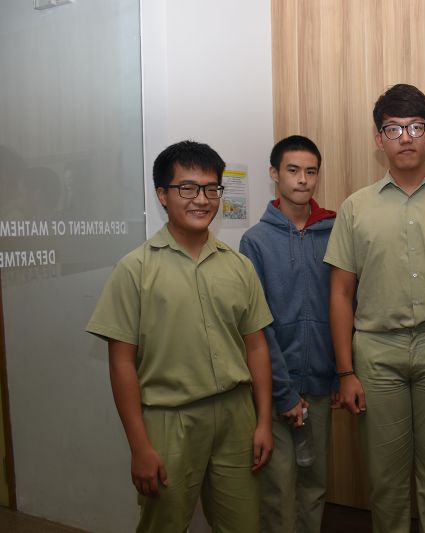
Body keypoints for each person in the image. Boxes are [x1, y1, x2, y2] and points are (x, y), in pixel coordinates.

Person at [324, 83, 425, 533]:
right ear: (378, 139)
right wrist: (345, 371)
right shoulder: (355, 208)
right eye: (393, 129)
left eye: (416, 127)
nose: (405, 137)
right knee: (385, 480)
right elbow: (339, 294)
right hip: (377, 354)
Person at [86, 140, 274, 533]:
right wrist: (140, 446)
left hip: (236, 415)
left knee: (245, 524)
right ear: (162, 194)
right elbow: (121, 363)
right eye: (187, 188)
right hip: (169, 420)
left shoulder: (239, 266)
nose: (201, 199)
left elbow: (256, 347)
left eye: (211, 188)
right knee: (164, 524)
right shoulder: (135, 269)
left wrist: (262, 422)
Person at [239, 135, 337, 533]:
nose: (302, 180)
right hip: (274, 386)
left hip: (321, 385)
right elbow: (256, 325)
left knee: (315, 485)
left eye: (311, 171)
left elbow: (347, 305)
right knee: (278, 490)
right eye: (293, 170)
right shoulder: (255, 241)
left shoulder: (334, 231)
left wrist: (339, 373)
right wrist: (283, 393)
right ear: (274, 174)